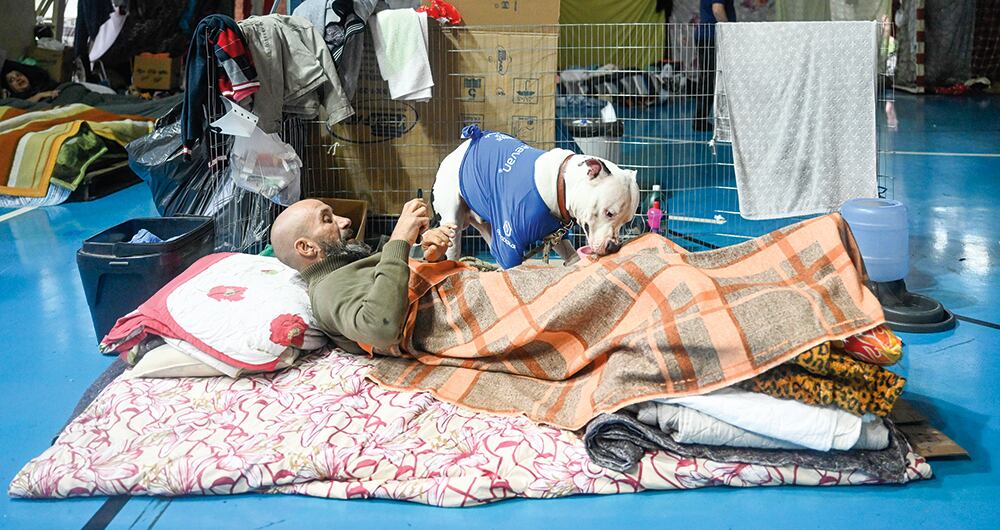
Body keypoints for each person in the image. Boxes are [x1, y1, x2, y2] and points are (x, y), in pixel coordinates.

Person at [270, 198, 456, 353]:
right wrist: (399, 239)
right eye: (327, 220)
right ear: (307, 247)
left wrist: (431, 259)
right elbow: (380, 329)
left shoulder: (352, 266)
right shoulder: (326, 290)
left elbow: (396, 288)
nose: (345, 221)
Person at [693, 0, 736, 132]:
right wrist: (729, 30)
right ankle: (700, 120)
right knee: (710, 80)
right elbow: (717, 10)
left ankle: (702, 119)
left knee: (709, 78)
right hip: (711, 37)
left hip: (708, 36)